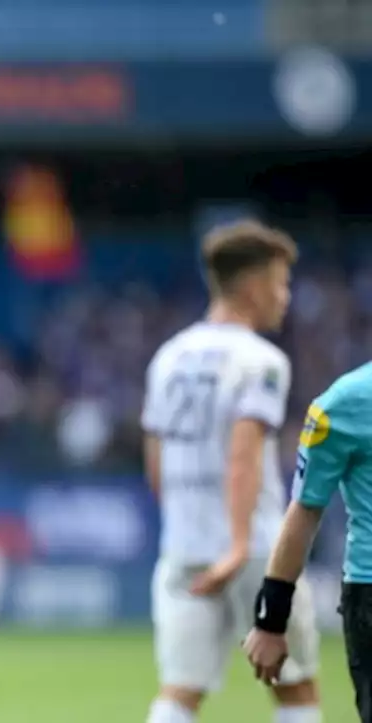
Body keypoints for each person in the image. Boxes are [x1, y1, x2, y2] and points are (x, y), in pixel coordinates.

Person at [140, 220, 321, 723]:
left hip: (184, 549)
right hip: (258, 549)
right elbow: (243, 453)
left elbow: (154, 455)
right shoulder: (262, 361)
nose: (285, 297)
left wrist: (179, 526)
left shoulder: (168, 357)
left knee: (178, 693)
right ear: (254, 285)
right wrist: (239, 544)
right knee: (296, 689)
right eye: (281, 283)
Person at [245, 363, 372, 721]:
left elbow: (305, 509)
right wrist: (271, 617)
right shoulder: (343, 404)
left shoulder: (342, 402)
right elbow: (305, 510)